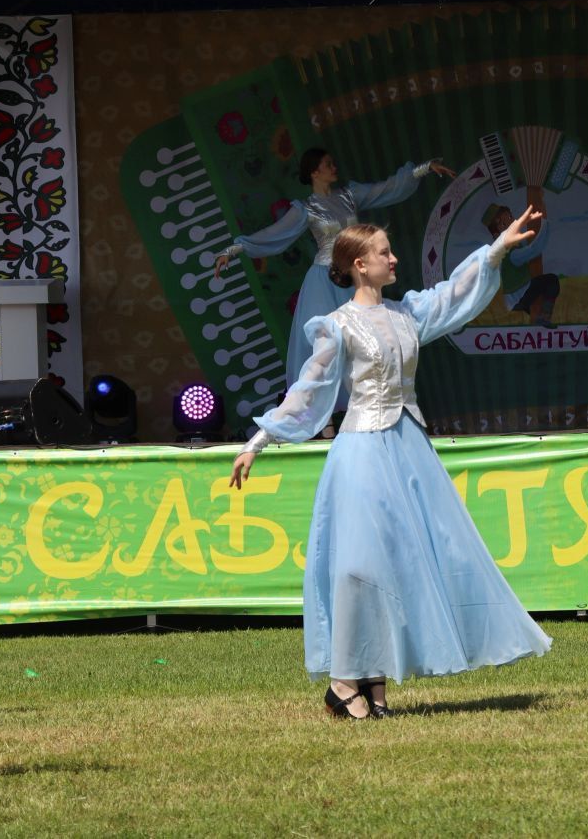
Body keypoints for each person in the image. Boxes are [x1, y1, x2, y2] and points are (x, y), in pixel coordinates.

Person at [229, 212, 551, 719]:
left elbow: (454, 293)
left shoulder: (408, 314)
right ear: (360, 265)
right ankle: (342, 681)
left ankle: (374, 679)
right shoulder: (336, 327)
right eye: (384, 252)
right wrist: (258, 440)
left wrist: (497, 250)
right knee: (360, 566)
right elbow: (308, 392)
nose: (394, 258)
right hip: (361, 451)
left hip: (408, 449)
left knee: (403, 562)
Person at [213, 148, 456, 405]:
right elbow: (274, 233)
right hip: (325, 280)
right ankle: (322, 416)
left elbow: (383, 189)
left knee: (366, 341)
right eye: (328, 164)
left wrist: (424, 168)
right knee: (326, 347)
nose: (334, 167)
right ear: (315, 171)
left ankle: (372, 402)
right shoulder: (306, 208)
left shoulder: (349, 195)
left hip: (356, 278)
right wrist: (234, 250)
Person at [481, 203, 560, 328]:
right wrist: (544, 222)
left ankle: (539, 316)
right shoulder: (512, 253)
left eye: (511, 218)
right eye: (504, 224)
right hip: (519, 299)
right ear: (497, 235)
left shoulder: (511, 248)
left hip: (518, 296)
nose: (512, 224)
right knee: (551, 280)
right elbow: (535, 249)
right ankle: (544, 317)